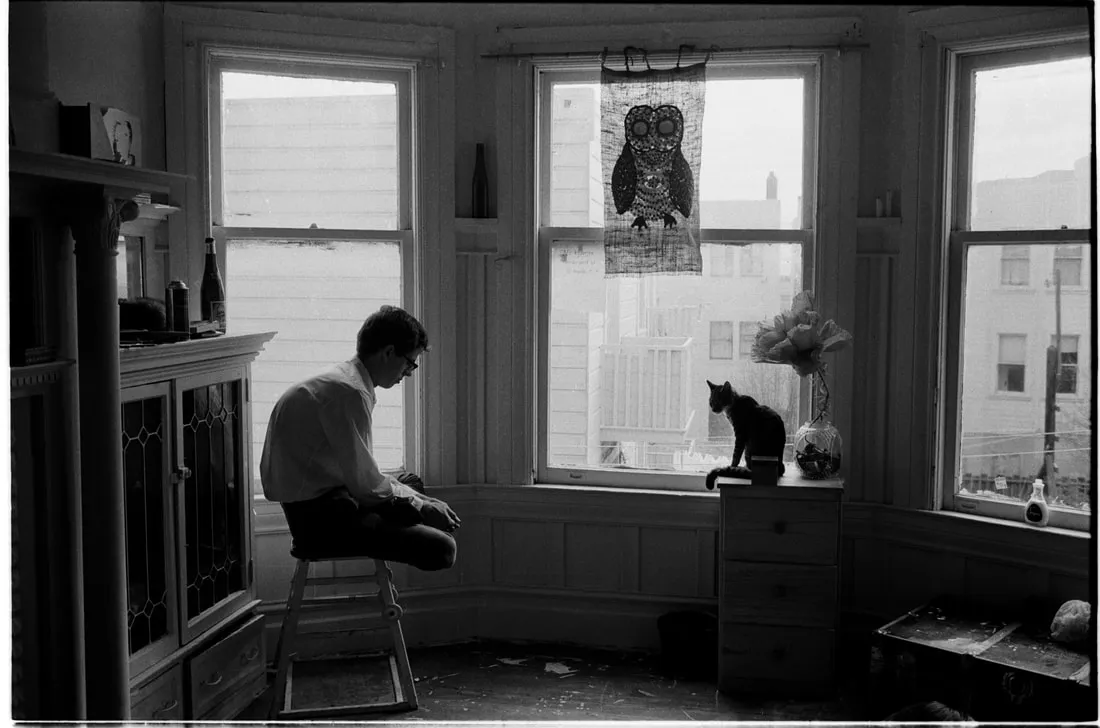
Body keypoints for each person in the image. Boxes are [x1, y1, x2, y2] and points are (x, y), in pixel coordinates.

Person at [260, 305, 459, 571]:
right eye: (410, 363)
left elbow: (363, 476)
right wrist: (421, 505)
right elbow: (366, 485)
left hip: (326, 496)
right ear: (389, 352)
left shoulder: (343, 379)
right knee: (444, 549)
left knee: (411, 482)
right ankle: (408, 516)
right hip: (319, 519)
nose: (410, 373)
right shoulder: (350, 394)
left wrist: (419, 501)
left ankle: (407, 513)